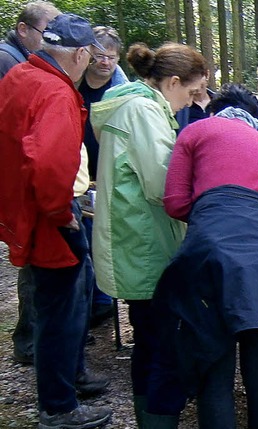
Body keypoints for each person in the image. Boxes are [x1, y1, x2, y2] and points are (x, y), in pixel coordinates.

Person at [146, 113, 258, 429]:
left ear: (218, 111)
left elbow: (174, 202)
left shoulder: (196, 130)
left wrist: (211, 212)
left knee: (214, 364)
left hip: (212, 250)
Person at [0, 13, 113, 429]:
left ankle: (72, 375)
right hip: (49, 219)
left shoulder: (21, 75)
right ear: (81, 53)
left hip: (29, 211)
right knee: (60, 309)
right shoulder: (55, 92)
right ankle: (59, 406)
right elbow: (47, 162)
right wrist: (61, 212)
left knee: (72, 298)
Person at [90, 41, 207, 427]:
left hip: (138, 239)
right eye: (190, 94)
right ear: (172, 82)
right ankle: (159, 418)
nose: (190, 104)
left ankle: (149, 415)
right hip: (145, 245)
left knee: (149, 342)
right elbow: (162, 185)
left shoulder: (134, 104)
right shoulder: (143, 111)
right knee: (164, 349)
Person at [0, 0, 60, 366]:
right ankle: (30, 339)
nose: (52, 39)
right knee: (36, 260)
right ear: (24, 30)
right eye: (47, 31)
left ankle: (33, 338)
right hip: (24, 175)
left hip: (22, 174)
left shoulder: (18, 61)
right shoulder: (11, 63)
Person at [77, 25, 129, 328]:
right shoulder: (73, 82)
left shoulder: (122, 89)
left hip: (109, 170)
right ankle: (89, 301)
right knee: (83, 236)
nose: (104, 63)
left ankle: (102, 301)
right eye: (98, 56)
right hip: (80, 171)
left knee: (106, 235)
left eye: (110, 57)